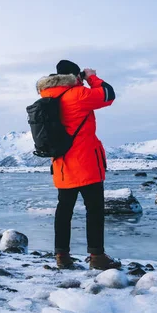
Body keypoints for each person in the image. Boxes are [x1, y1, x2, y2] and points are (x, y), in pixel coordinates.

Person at [36, 60, 121, 270]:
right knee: (94, 210)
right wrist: (92, 77)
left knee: (64, 211)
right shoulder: (78, 95)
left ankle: (61, 256)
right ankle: (97, 256)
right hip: (86, 164)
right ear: (74, 76)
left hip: (63, 166)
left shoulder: (49, 96)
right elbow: (108, 94)